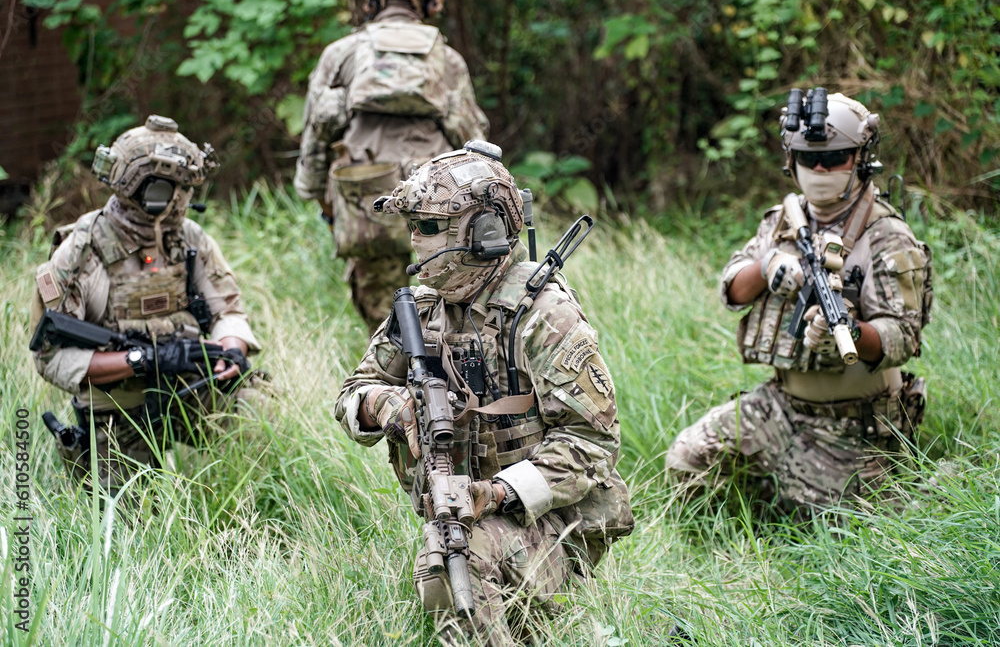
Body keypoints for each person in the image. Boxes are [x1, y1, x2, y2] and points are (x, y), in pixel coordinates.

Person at [334, 142, 633, 645]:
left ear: (482, 232)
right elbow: (352, 392)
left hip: (551, 517)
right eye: (411, 226)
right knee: (450, 566)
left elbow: (593, 445)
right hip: (466, 508)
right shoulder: (423, 308)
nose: (413, 240)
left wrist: (494, 493)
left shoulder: (543, 315)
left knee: (455, 565)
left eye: (427, 227)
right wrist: (388, 405)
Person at [666, 90, 934, 512]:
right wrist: (767, 264)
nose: (821, 168)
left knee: (850, 529)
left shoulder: (887, 237)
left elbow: (901, 337)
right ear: (792, 161)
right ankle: (767, 499)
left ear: (861, 158)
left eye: (836, 157)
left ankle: (906, 485)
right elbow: (733, 291)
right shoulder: (781, 221)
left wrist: (848, 333)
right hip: (782, 406)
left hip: (857, 421)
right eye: (810, 159)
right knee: (688, 460)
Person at [30, 115, 260, 495]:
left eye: (186, 189)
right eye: (176, 188)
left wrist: (230, 353)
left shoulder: (188, 239)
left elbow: (228, 310)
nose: (182, 200)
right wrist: (142, 360)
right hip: (117, 406)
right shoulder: (81, 252)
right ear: (145, 188)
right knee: (127, 523)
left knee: (261, 413)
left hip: (190, 384)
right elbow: (50, 357)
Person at [294, 0, 489, 332]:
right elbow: (472, 142)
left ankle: (387, 381)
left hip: (364, 205)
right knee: (444, 317)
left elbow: (316, 137)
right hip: (439, 210)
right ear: (430, 1)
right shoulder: (447, 59)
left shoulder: (341, 54)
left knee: (384, 321)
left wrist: (321, 201)